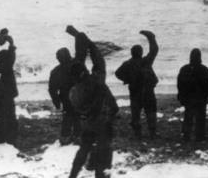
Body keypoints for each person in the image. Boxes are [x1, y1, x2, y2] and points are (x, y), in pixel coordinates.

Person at [68, 28, 118, 178]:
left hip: (87, 123)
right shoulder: (95, 81)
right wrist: (89, 44)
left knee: (84, 149)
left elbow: (78, 61)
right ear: (83, 72)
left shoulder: (74, 91)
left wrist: (79, 38)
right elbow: (99, 62)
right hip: (102, 122)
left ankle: (73, 174)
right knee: (104, 150)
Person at [115, 30, 159, 139]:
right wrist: (151, 38)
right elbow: (154, 50)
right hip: (147, 91)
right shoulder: (146, 61)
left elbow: (117, 73)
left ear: (132, 53)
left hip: (135, 92)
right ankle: (152, 134)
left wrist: (127, 79)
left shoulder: (128, 64)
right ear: (140, 52)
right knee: (150, 112)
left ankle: (137, 134)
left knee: (136, 114)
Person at [176, 48, 208, 142]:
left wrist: (181, 95)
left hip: (188, 98)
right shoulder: (204, 69)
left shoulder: (184, 69)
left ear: (190, 57)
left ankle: (186, 135)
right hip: (200, 97)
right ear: (200, 57)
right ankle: (199, 136)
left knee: (188, 116)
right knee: (200, 117)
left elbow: (180, 84)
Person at [0, 28, 18, 145]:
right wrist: (11, 43)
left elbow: (10, 57)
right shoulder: (7, 66)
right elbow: (11, 57)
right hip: (7, 98)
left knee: (1, 120)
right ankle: (9, 141)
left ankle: (0, 140)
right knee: (10, 120)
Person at [49, 47, 81, 144]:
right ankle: (78, 136)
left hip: (65, 97)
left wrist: (57, 102)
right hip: (79, 95)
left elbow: (52, 89)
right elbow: (86, 81)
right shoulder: (78, 66)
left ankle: (65, 137)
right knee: (78, 116)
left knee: (68, 115)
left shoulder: (56, 71)